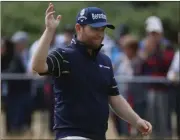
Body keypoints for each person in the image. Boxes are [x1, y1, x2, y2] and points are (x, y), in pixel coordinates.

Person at [30, 3, 152, 140]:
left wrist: (136, 121)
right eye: (94, 29)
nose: (100, 34)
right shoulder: (64, 55)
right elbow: (37, 66)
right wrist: (49, 31)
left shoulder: (105, 61)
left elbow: (114, 97)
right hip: (71, 135)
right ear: (78, 28)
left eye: (102, 29)